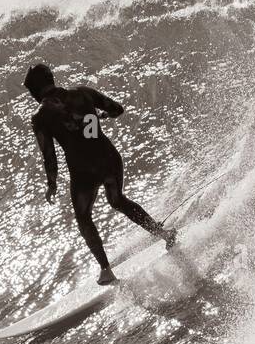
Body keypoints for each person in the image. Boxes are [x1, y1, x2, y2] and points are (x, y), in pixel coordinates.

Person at [24, 63, 175, 285]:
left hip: (83, 171)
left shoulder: (40, 116)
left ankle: (106, 270)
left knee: (84, 218)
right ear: (51, 79)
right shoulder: (83, 93)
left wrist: (52, 184)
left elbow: (50, 155)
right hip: (109, 159)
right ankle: (164, 234)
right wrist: (101, 116)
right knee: (118, 200)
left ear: (35, 90)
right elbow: (117, 109)